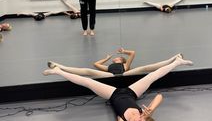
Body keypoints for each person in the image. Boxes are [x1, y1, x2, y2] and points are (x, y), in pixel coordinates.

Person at [43, 55, 193, 121]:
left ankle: (58, 71)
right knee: (152, 76)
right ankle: (177, 62)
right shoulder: (145, 114)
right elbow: (159, 96)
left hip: (112, 94)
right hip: (131, 92)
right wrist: (152, 108)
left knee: (87, 81)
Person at [47, 48, 182, 79]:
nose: (114, 58)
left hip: (125, 74)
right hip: (111, 76)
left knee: (146, 68)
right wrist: (106, 58)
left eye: (117, 57)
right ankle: (59, 67)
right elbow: (95, 64)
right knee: (87, 71)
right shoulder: (108, 67)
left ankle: (174, 58)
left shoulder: (125, 65)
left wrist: (124, 51)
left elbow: (133, 53)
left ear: (121, 60)